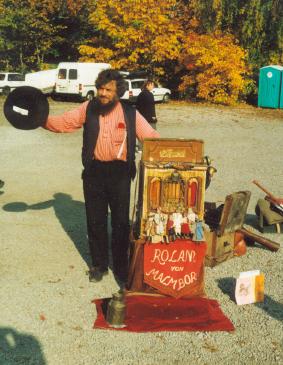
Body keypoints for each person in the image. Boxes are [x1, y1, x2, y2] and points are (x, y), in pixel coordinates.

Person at [44, 69, 160, 288]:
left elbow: (151, 138)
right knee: (95, 221)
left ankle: (121, 267)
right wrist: (39, 118)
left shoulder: (130, 113)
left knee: (120, 223)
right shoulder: (88, 108)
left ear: (119, 92)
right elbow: (63, 123)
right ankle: (99, 265)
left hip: (120, 174)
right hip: (94, 172)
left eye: (108, 89)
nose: (103, 93)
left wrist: (178, 150)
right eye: (100, 88)